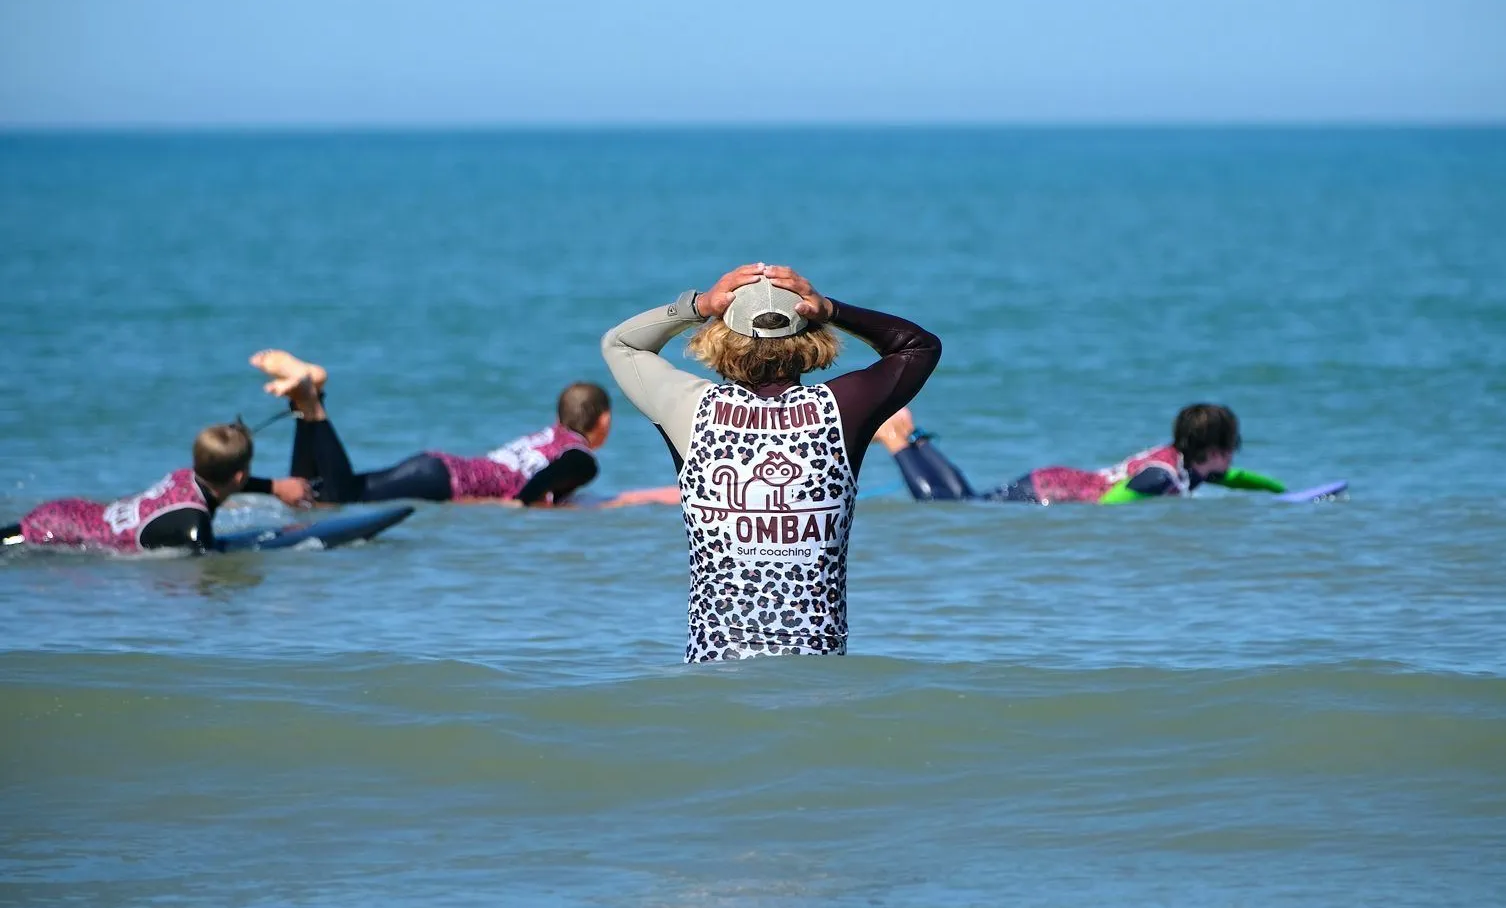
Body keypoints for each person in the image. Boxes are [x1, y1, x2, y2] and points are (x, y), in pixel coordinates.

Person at [602, 263, 941, 663]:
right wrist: (831, 309)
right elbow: (919, 346)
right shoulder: (840, 410)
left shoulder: (693, 410)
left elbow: (621, 344)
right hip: (817, 674)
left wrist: (700, 304)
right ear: (810, 335)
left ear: (720, 337)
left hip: (716, 671)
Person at [248, 349, 614, 507]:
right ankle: (312, 401)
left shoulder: (549, 435)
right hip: (443, 480)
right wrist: (521, 506)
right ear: (603, 421)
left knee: (313, 494)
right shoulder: (580, 456)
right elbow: (551, 476)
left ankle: (306, 396)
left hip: (439, 470)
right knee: (340, 497)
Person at [873, 403, 1288, 504]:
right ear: (1214, 451)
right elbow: (1111, 503)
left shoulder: (1187, 466)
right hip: (1050, 494)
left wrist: (1283, 493)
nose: (1232, 461)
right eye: (1230, 451)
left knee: (971, 502)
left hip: (1054, 480)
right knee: (957, 507)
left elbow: (1234, 479)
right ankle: (894, 440)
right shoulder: (1162, 477)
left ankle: (913, 436)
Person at [2, 421, 277, 552]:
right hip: (62, 533)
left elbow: (222, 481)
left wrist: (274, 487)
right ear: (239, 476)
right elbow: (207, 573)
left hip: (68, 512)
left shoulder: (183, 476)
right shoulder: (195, 524)